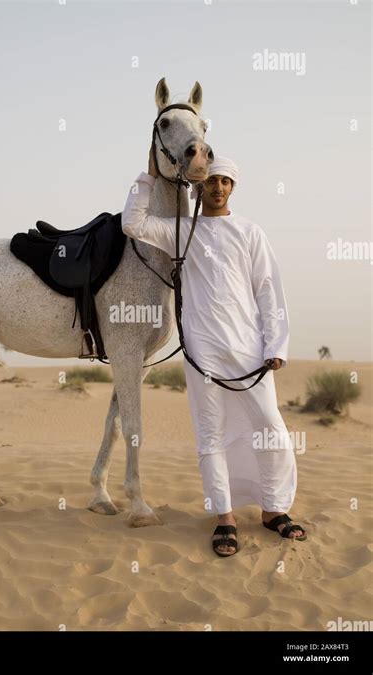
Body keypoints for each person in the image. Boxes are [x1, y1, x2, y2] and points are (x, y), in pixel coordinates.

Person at [121, 152, 307, 557]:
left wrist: (276, 345)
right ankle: (224, 517)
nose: (218, 188)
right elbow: (132, 224)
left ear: (233, 187)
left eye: (224, 181)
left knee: (271, 429)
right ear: (199, 186)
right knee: (211, 435)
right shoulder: (182, 231)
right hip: (202, 351)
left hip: (250, 350)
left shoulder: (250, 232)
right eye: (211, 181)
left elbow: (268, 290)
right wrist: (149, 176)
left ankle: (274, 510)